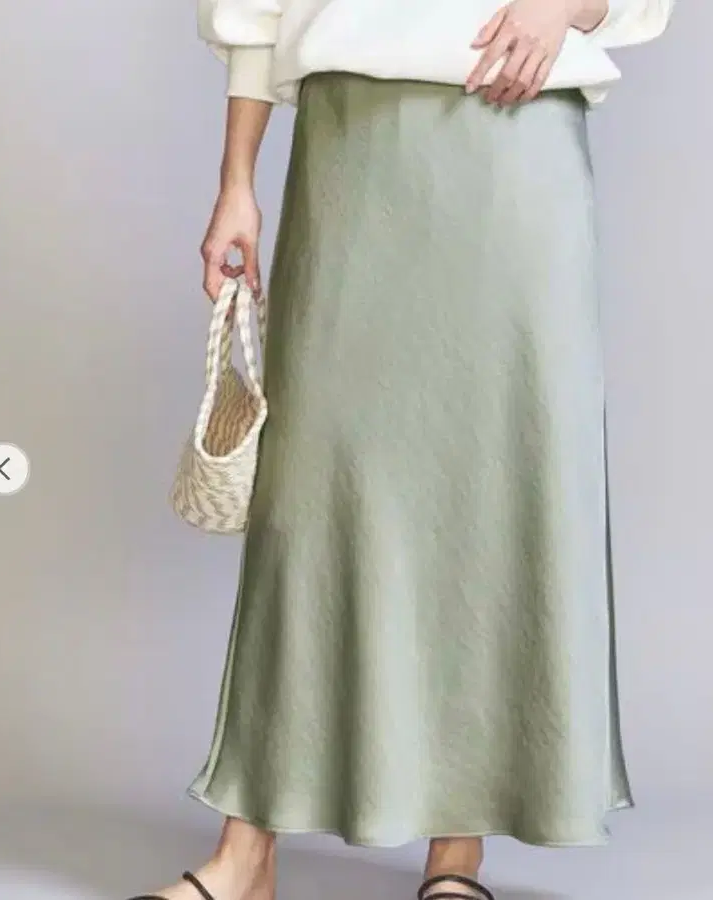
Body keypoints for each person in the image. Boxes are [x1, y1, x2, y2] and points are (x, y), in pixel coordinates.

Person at [130, 2, 675, 899]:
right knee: (312, 502)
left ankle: (456, 855)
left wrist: (561, 6)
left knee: (493, 489)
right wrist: (237, 182)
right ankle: (246, 853)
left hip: (514, 144)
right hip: (351, 148)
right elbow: (257, 11)